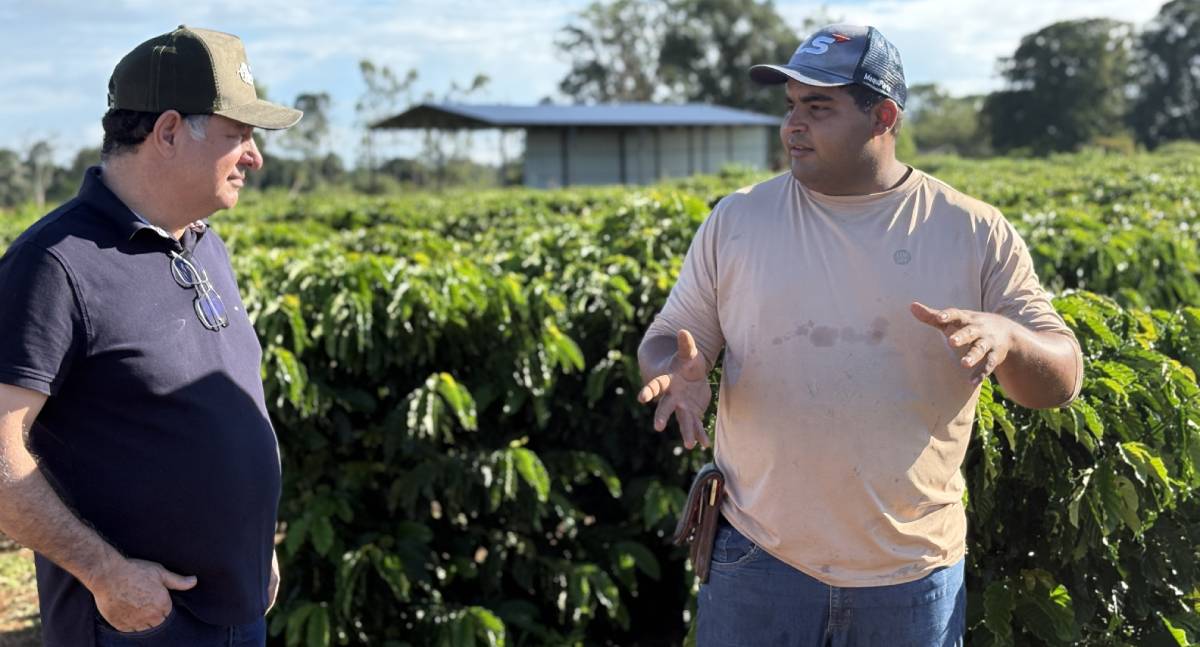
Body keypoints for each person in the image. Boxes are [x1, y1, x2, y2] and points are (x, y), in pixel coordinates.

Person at [636, 24, 1082, 646]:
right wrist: (672, 374)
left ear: (884, 116)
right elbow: (667, 339)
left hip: (912, 577)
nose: (793, 125)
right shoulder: (738, 219)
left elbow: (1061, 378)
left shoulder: (973, 231)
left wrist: (1009, 337)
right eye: (791, 104)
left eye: (819, 107)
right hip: (759, 562)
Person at [0, 26, 301, 646]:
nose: (254, 157)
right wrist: (105, 572)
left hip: (235, 606)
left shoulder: (204, 244)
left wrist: (250, 542)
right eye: (239, 135)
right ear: (167, 132)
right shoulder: (55, 263)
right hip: (136, 621)